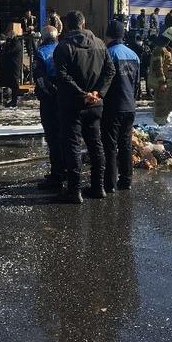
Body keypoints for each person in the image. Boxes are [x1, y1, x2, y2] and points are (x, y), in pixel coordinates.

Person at [54, 10, 115, 204]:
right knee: (95, 144)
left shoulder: (63, 46)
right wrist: (98, 92)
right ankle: (98, 187)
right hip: (95, 104)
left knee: (72, 146)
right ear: (83, 23)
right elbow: (110, 71)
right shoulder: (99, 44)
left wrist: (83, 94)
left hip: (72, 104)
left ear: (67, 25)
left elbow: (62, 77)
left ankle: (74, 191)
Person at [102, 21, 139, 192]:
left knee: (109, 145)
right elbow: (137, 83)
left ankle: (110, 183)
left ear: (108, 35)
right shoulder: (133, 55)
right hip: (129, 105)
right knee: (125, 144)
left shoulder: (108, 54)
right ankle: (127, 180)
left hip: (112, 105)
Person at [33, 25, 64, 192]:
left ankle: (56, 174)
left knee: (52, 137)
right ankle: (64, 170)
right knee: (64, 136)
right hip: (66, 98)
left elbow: (39, 78)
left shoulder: (41, 52)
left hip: (49, 100)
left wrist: (51, 94)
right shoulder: (64, 48)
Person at [149, 27, 172, 124]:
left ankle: (163, 122)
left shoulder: (165, 49)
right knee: (162, 105)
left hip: (167, 82)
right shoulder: (160, 49)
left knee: (167, 104)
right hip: (162, 84)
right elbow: (157, 66)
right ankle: (160, 124)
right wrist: (162, 82)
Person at [0, 30, 23, 107]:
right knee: (10, 83)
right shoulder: (11, 43)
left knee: (15, 84)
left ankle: (14, 100)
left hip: (15, 66)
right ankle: (10, 99)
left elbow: (10, 52)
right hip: (10, 66)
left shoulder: (17, 43)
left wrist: (6, 45)